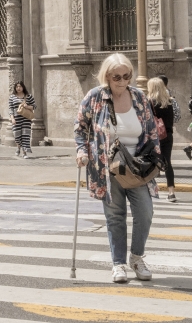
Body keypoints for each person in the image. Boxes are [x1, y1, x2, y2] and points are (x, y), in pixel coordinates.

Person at [75, 53, 159, 284]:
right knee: (115, 217)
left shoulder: (139, 97)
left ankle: (137, 257)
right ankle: (118, 264)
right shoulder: (95, 97)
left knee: (145, 213)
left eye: (127, 76)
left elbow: (151, 129)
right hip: (108, 168)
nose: (122, 81)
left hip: (137, 167)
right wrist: (82, 151)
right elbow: (80, 127)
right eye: (117, 77)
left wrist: (155, 159)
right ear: (107, 76)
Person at [148, 77, 176, 202]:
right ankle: (171, 193)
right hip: (167, 135)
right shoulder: (169, 102)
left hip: (153, 136)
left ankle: (151, 190)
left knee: (150, 162)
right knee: (167, 163)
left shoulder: (150, 102)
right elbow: (171, 120)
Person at [9, 81, 36, 158]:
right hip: (16, 119)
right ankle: (18, 147)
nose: (18, 88)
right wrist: (12, 118)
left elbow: (34, 106)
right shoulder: (12, 97)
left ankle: (24, 153)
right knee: (16, 135)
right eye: (17, 87)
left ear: (23, 87)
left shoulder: (28, 96)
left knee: (25, 135)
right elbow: (10, 109)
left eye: (20, 86)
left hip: (26, 119)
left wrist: (27, 106)